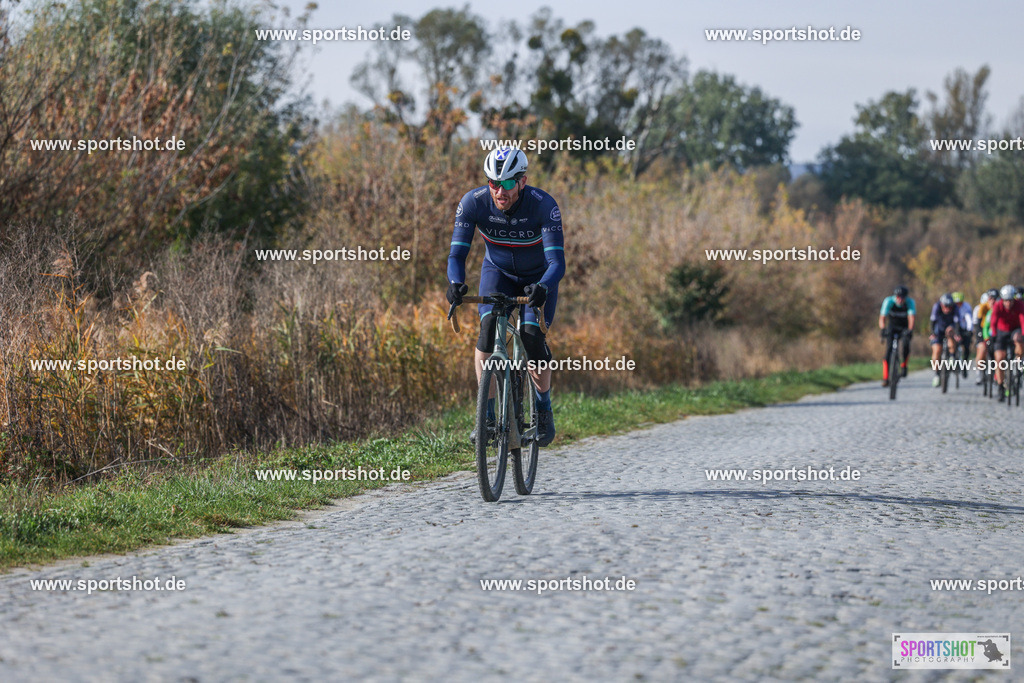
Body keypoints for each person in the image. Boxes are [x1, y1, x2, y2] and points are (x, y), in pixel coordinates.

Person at [446, 148, 565, 446]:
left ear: (522, 182)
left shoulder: (544, 206)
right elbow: (457, 254)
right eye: (493, 183)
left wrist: (543, 287)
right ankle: (485, 418)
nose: (500, 191)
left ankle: (542, 411)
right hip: (497, 272)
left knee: (531, 335)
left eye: (508, 184)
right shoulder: (472, 203)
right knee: (486, 331)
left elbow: (557, 264)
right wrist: (455, 283)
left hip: (537, 278)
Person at [989, 284, 1024, 401]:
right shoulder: (998, 305)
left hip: (1015, 329)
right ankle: (1000, 386)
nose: (1008, 304)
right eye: (1006, 301)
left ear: (1013, 299)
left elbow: (1023, 320)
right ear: (1002, 300)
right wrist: (993, 335)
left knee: (1019, 340)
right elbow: (993, 321)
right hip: (1001, 331)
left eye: (1010, 301)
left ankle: (1019, 362)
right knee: (999, 359)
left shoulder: (1019, 305)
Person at [879, 285, 916, 387]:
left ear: (905, 297)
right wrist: (882, 329)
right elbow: (882, 318)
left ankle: (904, 365)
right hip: (892, 327)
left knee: (905, 345)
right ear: (895, 296)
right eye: (898, 297)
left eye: (902, 297)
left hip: (904, 328)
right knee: (888, 351)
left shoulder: (910, 302)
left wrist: (910, 330)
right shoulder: (889, 301)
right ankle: (885, 378)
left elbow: (911, 318)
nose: (900, 299)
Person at [929, 293, 963, 387]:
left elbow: (957, 322)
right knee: (936, 352)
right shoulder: (936, 307)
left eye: (949, 307)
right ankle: (936, 375)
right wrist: (932, 333)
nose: (947, 309)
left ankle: (952, 356)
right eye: (945, 306)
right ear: (941, 304)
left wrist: (957, 333)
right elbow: (932, 321)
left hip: (950, 328)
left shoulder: (955, 308)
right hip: (938, 329)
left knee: (951, 334)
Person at [974, 289, 997, 384]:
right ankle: (979, 372)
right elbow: (978, 325)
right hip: (982, 331)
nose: (992, 301)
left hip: (995, 333)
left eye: (994, 299)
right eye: (990, 299)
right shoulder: (981, 308)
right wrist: (982, 337)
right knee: (982, 348)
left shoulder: (998, 308)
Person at [951, 291, 973, 377]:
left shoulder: (966, 306)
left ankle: (964, 366)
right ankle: (951, 361)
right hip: (953, 328)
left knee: (966, 348)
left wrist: (969, 330)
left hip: (964, 328)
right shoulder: (950, 307)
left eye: (960, 303)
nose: (958, 305)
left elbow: (969, 319)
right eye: (956, 303)